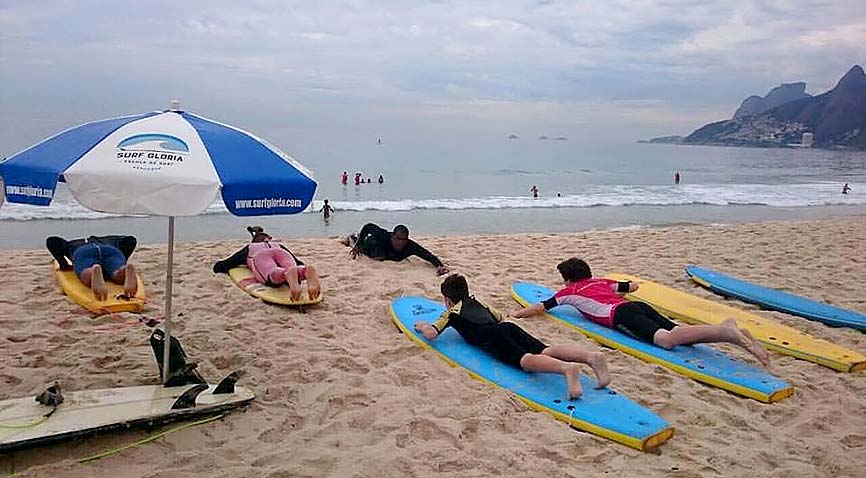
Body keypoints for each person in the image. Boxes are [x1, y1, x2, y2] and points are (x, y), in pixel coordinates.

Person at [514, 258, 770, 366]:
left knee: (667, 341)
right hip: (636, 307)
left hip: (621, 316)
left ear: (568, 279)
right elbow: (632, 286)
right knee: (679, 334)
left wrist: (519, 314)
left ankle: (727, 331)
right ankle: (726, 329)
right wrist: (621, 290)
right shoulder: (602, 282)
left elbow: (541, 308)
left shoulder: (567, 293)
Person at [414, 274, 610, 399]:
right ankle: (590, 357)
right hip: (508, 327)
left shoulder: (451, 312)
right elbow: (500, 317)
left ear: (447, 300)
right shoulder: (478, 302)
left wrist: (423, 326)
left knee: (524, 360)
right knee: (545, 349)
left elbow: (432, 334)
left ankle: (566, 368)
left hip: (493, 337)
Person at [213, 226, 320, 301]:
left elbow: (224, 265)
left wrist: (218, 266)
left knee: (271, 273)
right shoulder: (277, 245)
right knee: (294, 267)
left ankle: (286, 274)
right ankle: (304, 271)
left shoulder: (251, 248)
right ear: (268, 239)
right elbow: (298, 261)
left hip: (261, 256)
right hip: (282, 253)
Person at [46, 235, 139, 301]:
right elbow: (130, 240)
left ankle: (93, 271)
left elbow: (52, 241)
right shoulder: (110, 239)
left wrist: (63, 264)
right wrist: (123, 259)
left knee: (86, 271)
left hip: (84, 252)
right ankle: (124, 270)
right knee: (116, 271)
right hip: (110, 250)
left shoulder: (72, 244)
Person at [341, 223, 449, 275]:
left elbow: (427, 255)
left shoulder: (409, 246)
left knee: (392, 257)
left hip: (388, 254)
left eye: (403, 239)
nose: (400, 242)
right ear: (392, 236)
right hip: (372, 244)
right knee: (376, 254)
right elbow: (368, 227)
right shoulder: (382, 235)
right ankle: (352, 238)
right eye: (398, 238)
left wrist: (439, 266)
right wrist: (357, 245)